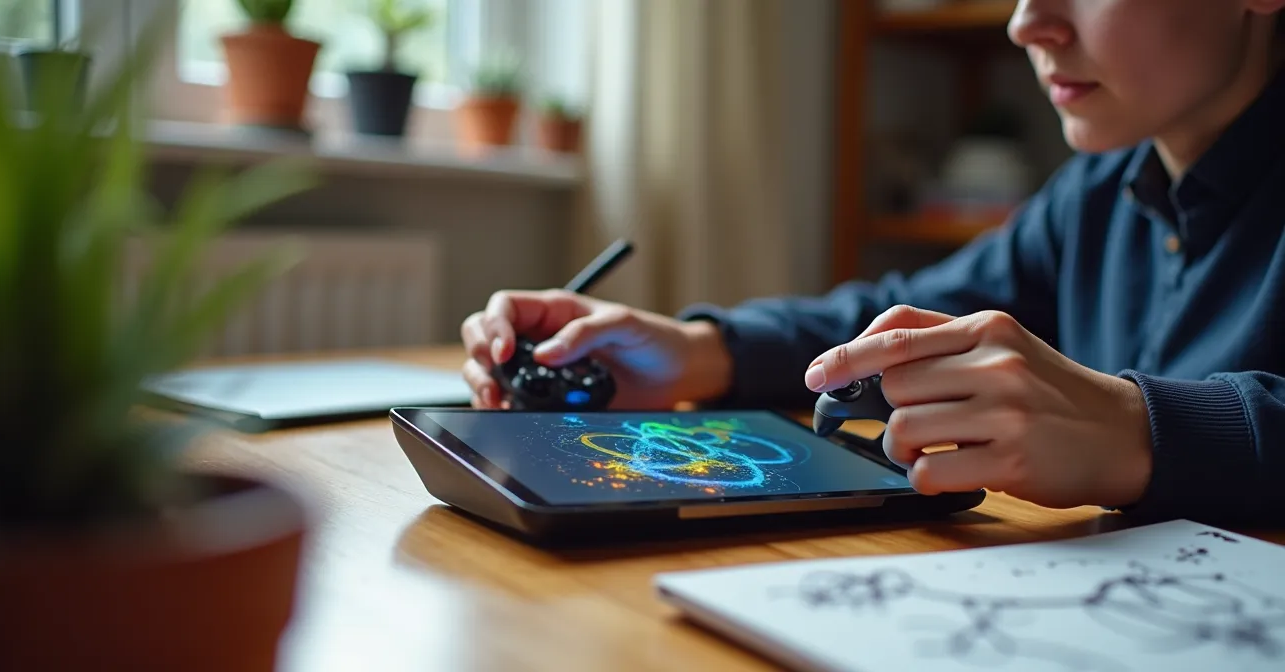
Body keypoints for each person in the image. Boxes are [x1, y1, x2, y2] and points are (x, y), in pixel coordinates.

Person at [459, 0, 1285, 523]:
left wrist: (1141, 431)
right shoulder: (1100, 189)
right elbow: (909, 313)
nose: (1027, 22)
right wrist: (698, 349)